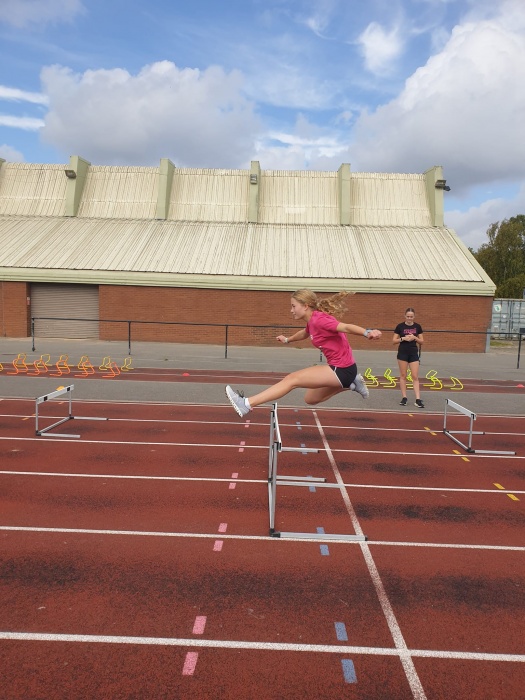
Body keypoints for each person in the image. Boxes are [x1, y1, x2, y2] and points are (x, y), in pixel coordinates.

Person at [225, 289, 382, 417]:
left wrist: (367, 332)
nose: (291, 310)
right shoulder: (311, 322)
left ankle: (246, 403)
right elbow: (304, 333)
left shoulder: (320, 320)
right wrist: (288, 340)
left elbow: (346, 327)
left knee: (292, 379)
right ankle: (352, 384)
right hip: (343, 371)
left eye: (294, 306)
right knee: (310, 399)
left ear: (305, 306)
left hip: (341, 369)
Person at [393, 308, 424, 408]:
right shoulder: (400, 326)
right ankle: (404, 397)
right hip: (402, 353)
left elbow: (422, 341)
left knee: (415, 376)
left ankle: (418, 399)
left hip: (413, 353)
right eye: (408, 316)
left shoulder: (417, 326)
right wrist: (403, 338)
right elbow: (394, 340)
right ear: (405, 316)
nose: (409, 318)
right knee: (403, 375)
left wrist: (414, 338)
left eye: (411, 316)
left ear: (414, 317)